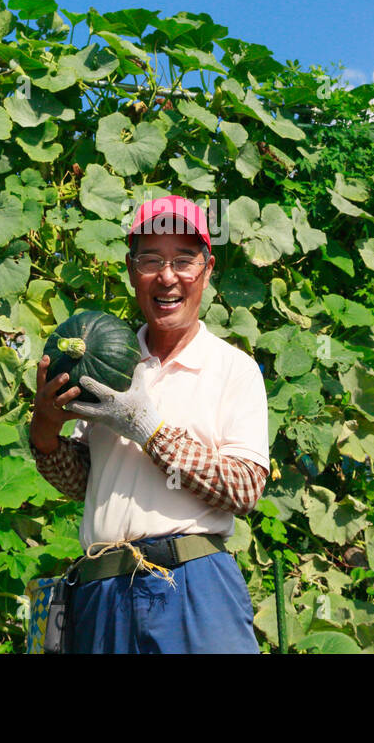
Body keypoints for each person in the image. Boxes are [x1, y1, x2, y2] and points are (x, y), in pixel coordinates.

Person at [28, 194, 270, 653]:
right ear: (130, 269)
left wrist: (150, 430)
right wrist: (44, 429)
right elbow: (83, 483)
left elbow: (244, 489)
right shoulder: (102, 364)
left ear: (207, 269)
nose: (167, 276)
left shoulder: (232, 369)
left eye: (183, 260)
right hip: (102, 590)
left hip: (193, 585)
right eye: (151, 259)